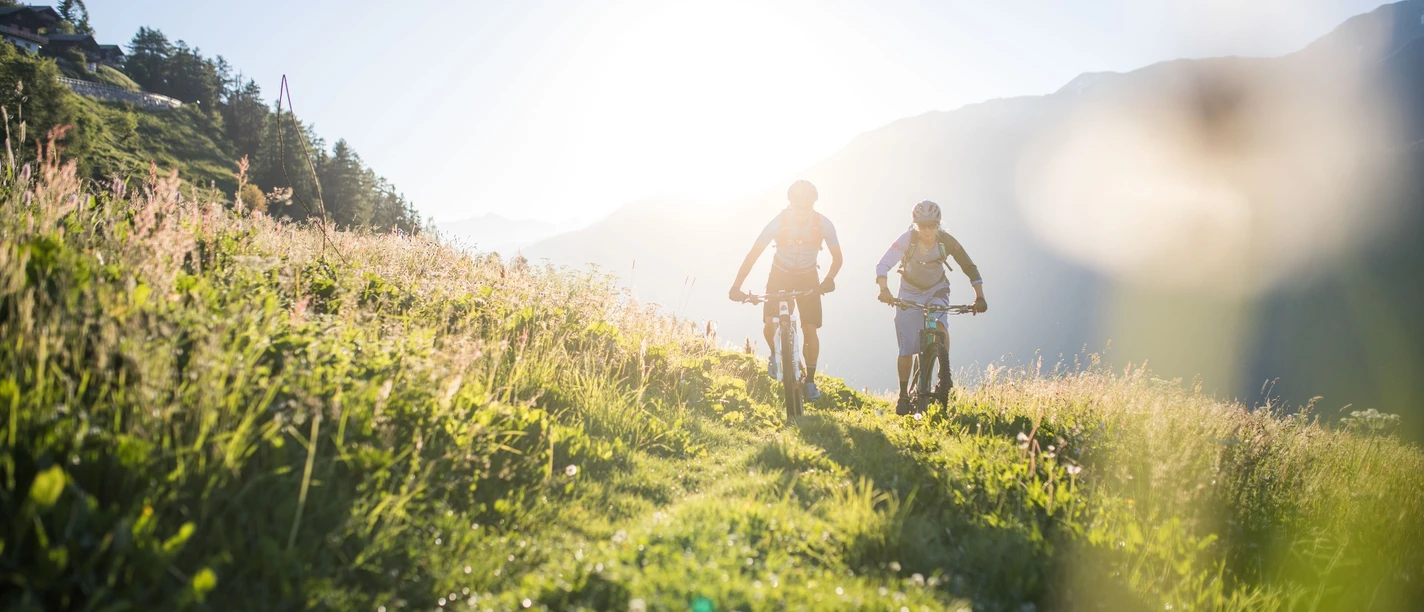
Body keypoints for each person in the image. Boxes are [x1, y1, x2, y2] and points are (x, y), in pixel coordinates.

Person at [729, 180, 843, 400]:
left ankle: (810, 381)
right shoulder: (778, 223)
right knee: (769, 323)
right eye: (798, 206)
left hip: (808, 276)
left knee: (810, 328)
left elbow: (838, 258)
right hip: (780, 274)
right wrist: (736, 286)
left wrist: (829, 279)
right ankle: (775, 355)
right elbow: (753, 255)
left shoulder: (824, 225)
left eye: (806, 206)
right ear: (790, 203)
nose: (802, 211)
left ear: (813, 204)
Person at [874, 200, 986, 415]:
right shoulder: (907, 239)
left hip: (937, 289)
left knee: (940, 326)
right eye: (922, 225)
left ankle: (944, 375)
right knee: (906, 348)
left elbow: (969, 266)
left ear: (938, 225)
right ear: (915, 225)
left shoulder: (946, 241)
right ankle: (903, 395)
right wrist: (884, 289)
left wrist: (979, 296)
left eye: (932, 225)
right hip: (909, 292)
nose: (927, 230)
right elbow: (883, 264)